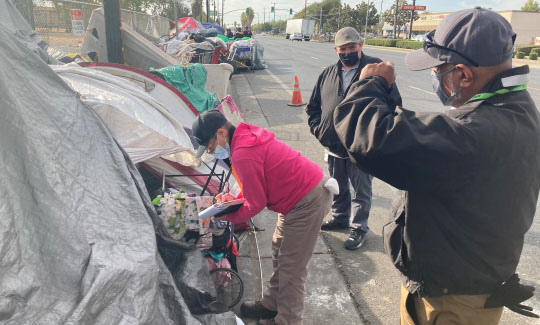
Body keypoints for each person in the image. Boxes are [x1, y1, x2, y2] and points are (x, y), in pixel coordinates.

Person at [332, 7, 540, 324]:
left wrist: (370, 85)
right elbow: (414, 141)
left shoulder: (475, 131)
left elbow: (372, 140)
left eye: (438, 69)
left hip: (452, 302)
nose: (435, 77)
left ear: (463, 74)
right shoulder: (515, 109)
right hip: (457, 281)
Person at [192, 110, 335, 325]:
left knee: (292, 267)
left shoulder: (242, 152)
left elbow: (255, 203)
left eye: (211, 147)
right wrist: (229, 200)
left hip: (306, 201)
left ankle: (287, 320)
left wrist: (226, 215)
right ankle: (271, 305)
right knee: (279, 249)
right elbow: (251, 186)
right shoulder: (242, 135)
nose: (212, 152)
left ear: (220, 133)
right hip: (294, 199)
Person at [306, 26, 401, 250]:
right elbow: (313, 108)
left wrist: (377, 137)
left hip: (362, 146)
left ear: (361, 45)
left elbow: (394, 105)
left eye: (352, 47)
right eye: (343, 48)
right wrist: (319, 130)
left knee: (361, 191)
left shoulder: (376, 69)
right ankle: (340, 218)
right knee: (337, 186)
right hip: (333, 145)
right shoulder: (328, 73)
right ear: (335, 49)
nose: (347, 51)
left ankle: (358, 228)